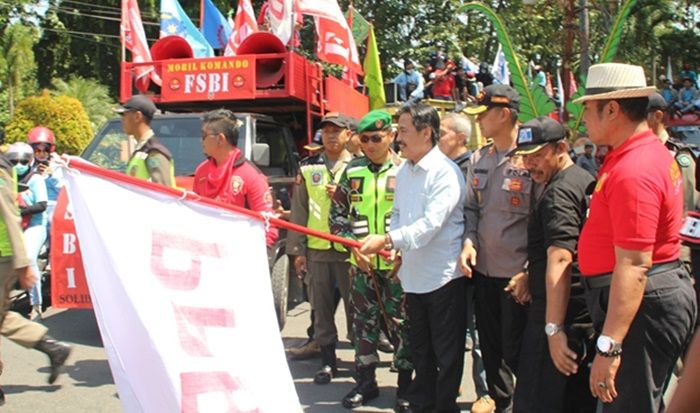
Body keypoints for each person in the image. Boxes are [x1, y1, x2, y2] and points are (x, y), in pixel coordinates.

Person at [575, 63, 696, 413]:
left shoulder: (634, 168)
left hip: (641, 303)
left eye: (587, 108)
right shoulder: (635, 153)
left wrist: (609, 347)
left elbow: (634, 264)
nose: (583, 117)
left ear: (611, 109)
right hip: (641, 299)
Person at [360, 103, 467, 413]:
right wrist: (397, 251)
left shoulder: (445, 173)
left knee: (446, 354)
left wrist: (389, 239)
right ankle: (424, 403)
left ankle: (444, 407)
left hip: (442, 278)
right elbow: (398, 215)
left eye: (404, 130)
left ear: (426, 132)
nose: (398, 137)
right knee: (421, 350)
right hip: (414, 278)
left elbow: (430, 226)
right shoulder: (405, 170)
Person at [509, 117, 596, 413]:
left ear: (561, 148)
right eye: (525, 157)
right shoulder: (579, 178)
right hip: (575, 311)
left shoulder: (559, 192)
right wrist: (529, 274)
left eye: (537, 156)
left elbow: (562, 256)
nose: (529, 164)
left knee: (538, 401)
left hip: (562, 316)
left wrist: (553, 328)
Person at [329, 110, 412, 411]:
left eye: (376, 138)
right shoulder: (352, 172)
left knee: (403, 325)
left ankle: (405, 385)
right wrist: (353, 249)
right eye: (364, 139)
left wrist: (403, 250)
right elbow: (336, 218)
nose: (371, 144)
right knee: (363, 325)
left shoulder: (406, 170)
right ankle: (365, 382)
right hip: (361, 266)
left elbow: (417, 219)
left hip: (397, 267)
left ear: (390, 136)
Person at [460, 84, 531, 413]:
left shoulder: (533, 157)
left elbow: (545, 220)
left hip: (520, 278)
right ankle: (503, 404)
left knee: (522, 351)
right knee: (491, 349)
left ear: (504, 115)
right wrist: (469, 241)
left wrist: (530, 271)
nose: (478, 122)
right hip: (485, 272)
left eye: (483, 114)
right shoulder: (479, 158)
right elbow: (471, 209)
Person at [287, 112, 354, 384]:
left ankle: (363, 365)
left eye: (337, 131)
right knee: (321, 309)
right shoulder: (308, 166)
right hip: (317, 251)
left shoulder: (359, 166)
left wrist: (343, 195)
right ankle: (328, 362)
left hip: (351, 250)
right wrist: (297, 251)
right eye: (326, 131)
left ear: (348, 135)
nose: (331, 135)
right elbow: (299, 210)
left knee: (357, 310)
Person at [0, 151, 71, 405]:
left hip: (4, 255)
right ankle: (53, 347)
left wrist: (22, 262)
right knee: (2, 316)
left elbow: (9, 215)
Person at [438, 113, 493, 413]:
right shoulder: (434, 167)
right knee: (451, 329)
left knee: (479, 331)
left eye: (443, 132)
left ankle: (484, 391)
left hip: (475, 260)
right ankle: (450, 380)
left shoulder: (474, 166)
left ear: (461, 137)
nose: (436, 137)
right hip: (445, 264)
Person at [193, 109, 278, 246]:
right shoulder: (201, 171)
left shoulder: (251, 176)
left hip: (238, 252)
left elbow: (268, 224)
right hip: (206, 250)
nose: (200, 140)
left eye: (204, 136)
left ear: (220, 139)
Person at [7, 143, 48, 320]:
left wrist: (18, 211)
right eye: (14, 160)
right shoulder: (7, 178)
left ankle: (36, 306)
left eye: (23, 161)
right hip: (13, 225)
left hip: (35, 225)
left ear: (30, 160)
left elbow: (41, 205)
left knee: (29, 259)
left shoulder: (35, 178)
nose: (18, 164)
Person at [647, 92, 697, 214]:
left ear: (657, 116)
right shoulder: (643, 151)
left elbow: (688, 201)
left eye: (640, 116)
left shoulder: (679, 155)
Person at [114, 95, 175, 187]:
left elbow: (163, 193)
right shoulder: (142, 150)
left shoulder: (154, 152)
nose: (122, 120)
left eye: (124, 115)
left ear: (137, 116)